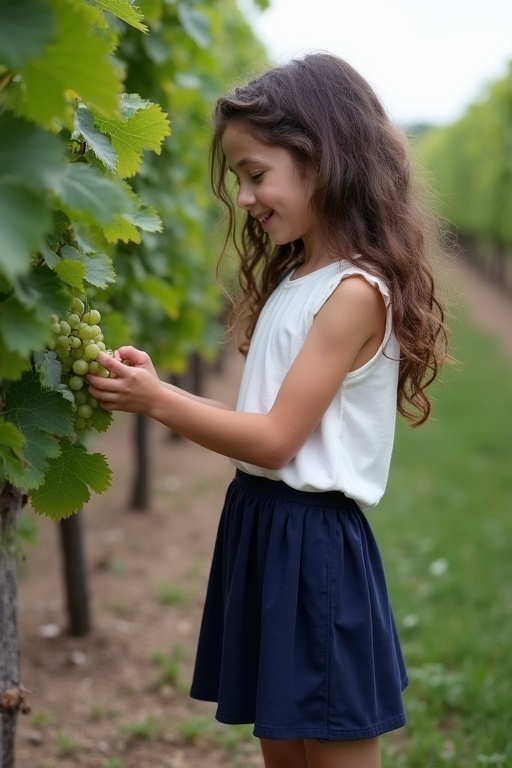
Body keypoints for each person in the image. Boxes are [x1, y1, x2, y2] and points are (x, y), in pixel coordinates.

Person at [87, 52, 449, 768]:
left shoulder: (352, 292)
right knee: (283, 747)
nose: (245, 197)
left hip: (314, 544)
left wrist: (159, 400)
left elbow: (278, 439)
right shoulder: (299, 276)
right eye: (240, 179)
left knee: (333, 747)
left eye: (256, 174)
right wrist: (164, 391)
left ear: (323, 160)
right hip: (264, 525)